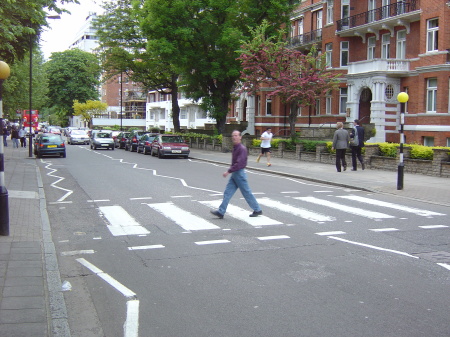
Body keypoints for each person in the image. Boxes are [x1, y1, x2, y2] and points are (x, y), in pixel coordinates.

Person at [210, 130, 263, 219]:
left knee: (246, 193)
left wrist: (228, 171)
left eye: (236, 135)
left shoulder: (241, 149)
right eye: (233, 135)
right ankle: (221, 212)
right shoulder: (235, 147)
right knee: (227, 193)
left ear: (240, 137)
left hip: (239, 173)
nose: (234, 137)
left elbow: (239, 163)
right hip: (235, 174)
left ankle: (257, 209)